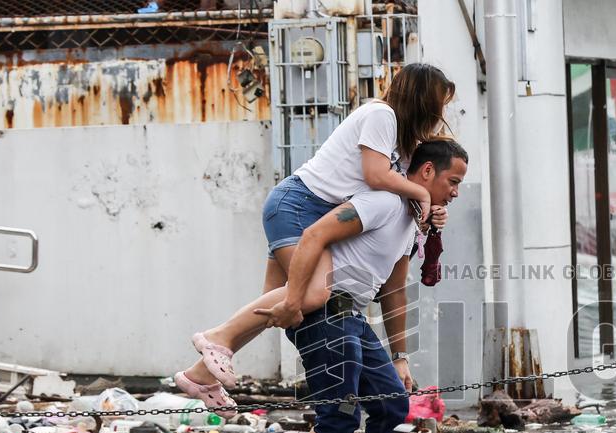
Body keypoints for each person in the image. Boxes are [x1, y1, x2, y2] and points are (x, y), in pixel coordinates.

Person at [174, 63, 455, 410]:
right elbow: (375, 175)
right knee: (311, 293)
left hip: (312, 211)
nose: (441, 114)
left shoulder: (404, 144)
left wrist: (428, 211)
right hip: (300, 204)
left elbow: (402, 188)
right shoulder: (382, 116)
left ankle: (200, 374)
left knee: (276, 303)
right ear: (423, 99)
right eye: (440, 104)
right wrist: (423, 194)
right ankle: (216, 338)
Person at [254, 139, 468, 433]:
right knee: (339, 411)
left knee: (392, 406)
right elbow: (313, 235)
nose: (454, 192)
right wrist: (290, 298)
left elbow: (394, 289)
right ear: (428, 171)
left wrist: (400, 356)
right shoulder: (381, 201)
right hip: (324, 310)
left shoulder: (411, 223)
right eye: (453, 181)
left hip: (351, 315)